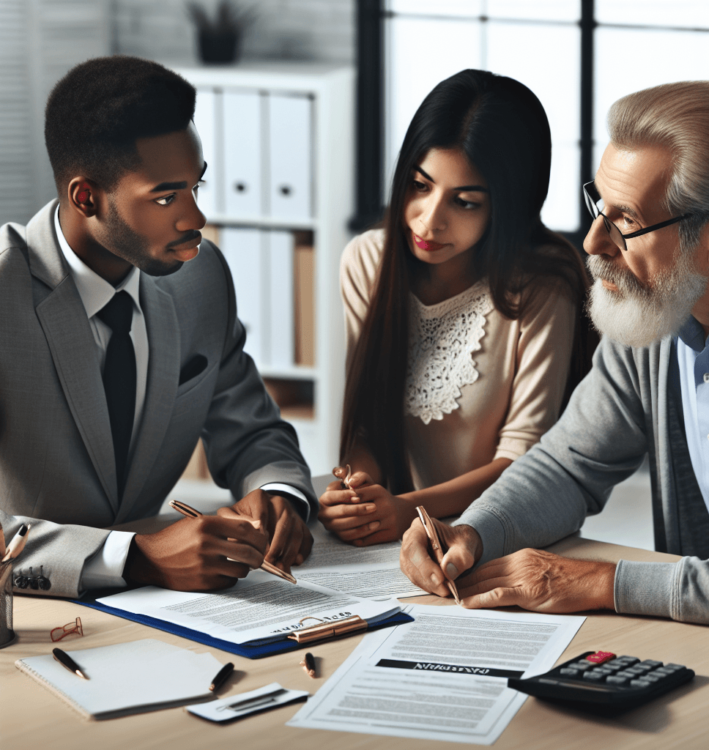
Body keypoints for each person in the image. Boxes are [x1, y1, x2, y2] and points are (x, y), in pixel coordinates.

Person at [401, 80, 709, 628]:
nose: (593, 242)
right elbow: (570, 465)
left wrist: (598, 582)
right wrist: (474, 530)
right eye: (598, 206)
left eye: (627, 221)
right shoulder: (657, 311)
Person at [0, 56, 317, 598]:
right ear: (86, 197)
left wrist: (278, 491)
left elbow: (252, 430)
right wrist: (137, 557)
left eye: (197, 186)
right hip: (28, 615)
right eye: (167, 197)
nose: (195, 218)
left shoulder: (201, 277)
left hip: (173, 611)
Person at [318, 70, 589, 546]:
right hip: (395, 538)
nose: (429, 220)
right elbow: (368, 418)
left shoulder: (542, 286)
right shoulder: (367, 260)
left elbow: (523, 459)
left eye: (464, 203)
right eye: (420, 186)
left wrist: (408, 509)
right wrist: (359, 491)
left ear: (507, 206)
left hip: (502, 530)